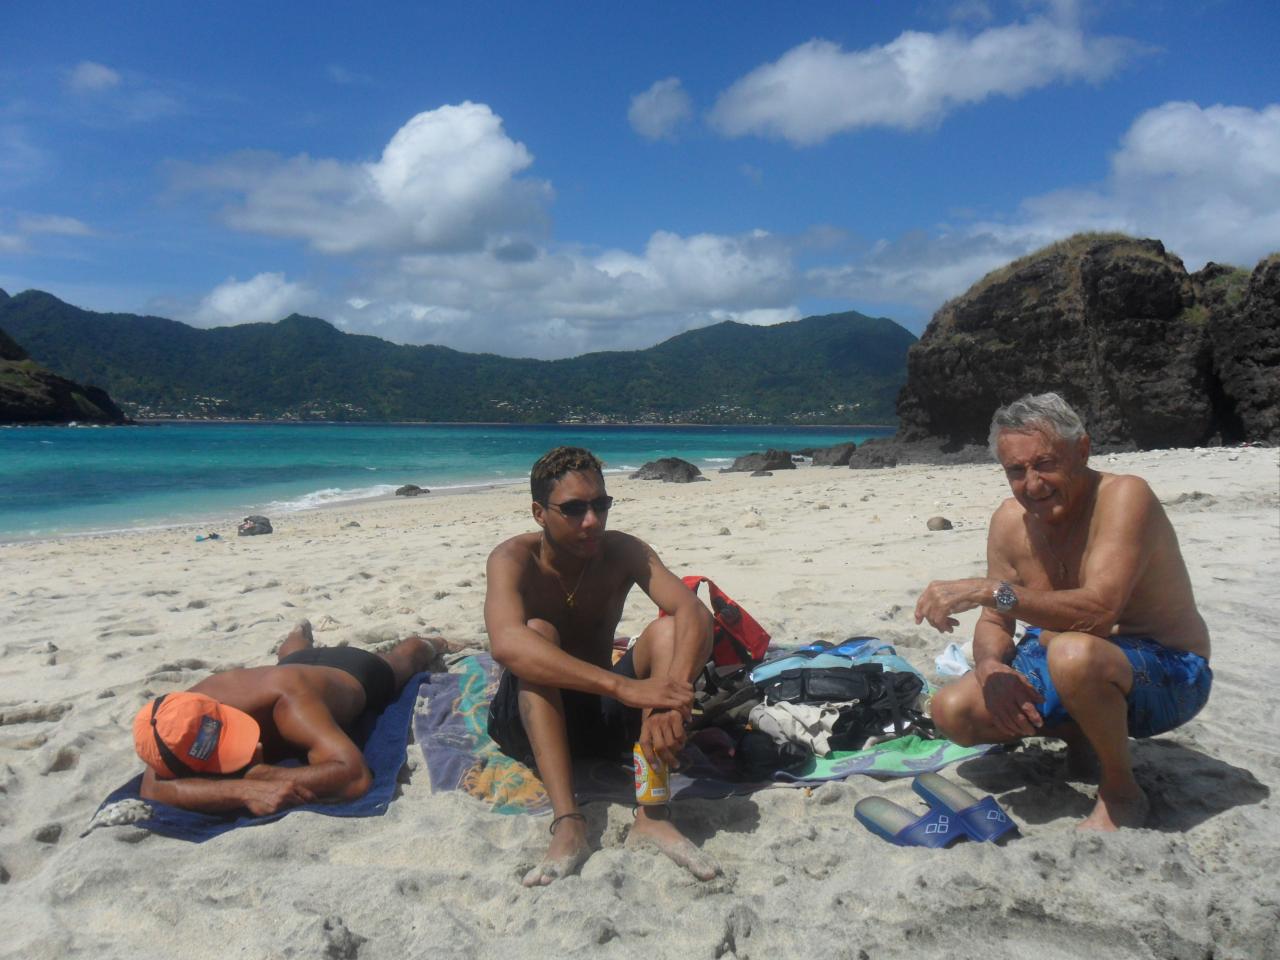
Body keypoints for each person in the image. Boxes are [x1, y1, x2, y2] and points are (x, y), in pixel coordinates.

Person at [915, 393, 1212, 831]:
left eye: (1045, 464)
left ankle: (1121, 791)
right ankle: (1081, 738)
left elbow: (1099, 612)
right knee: (951, 710)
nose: (1032, 484)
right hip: (1067, 659)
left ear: (1083, 450)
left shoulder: (1124, 497)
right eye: (1016, 471)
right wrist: (991, 668)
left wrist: (991, 590)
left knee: (1072, 653)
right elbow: (996, 620)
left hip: (1169, 673)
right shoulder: (1009, 521)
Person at [484, 446, 717, 886]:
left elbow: (694, 613)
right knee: (536, 633)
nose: (591, 520)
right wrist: (624, 688)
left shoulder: (624, 552)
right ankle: (569, 822)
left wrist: (673, 696)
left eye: (600, 504)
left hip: (601, 718)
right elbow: (506, 644)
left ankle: (652, 814)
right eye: (573, 509)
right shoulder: (512, 559)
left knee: (667, 632)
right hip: (531, 720)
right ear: (539, 513)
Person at [134, 620, 459, 814]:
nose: (255, 749)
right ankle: (299, 630)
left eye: (234, 735)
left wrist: (258, 776)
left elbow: (354, 776)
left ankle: (435, 641)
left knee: (404, 658)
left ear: (219, 710)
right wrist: (242, 789)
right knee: (291, 656)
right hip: (292, 668)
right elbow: (154, 787)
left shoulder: (287, 703)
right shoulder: (176, 718)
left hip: (353, 672)